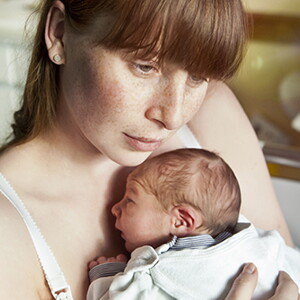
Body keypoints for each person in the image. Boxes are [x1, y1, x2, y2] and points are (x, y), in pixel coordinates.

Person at [0, 0, 298, 299]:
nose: (173, 115)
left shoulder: (211, 114)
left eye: (196, 76)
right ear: (60, 32)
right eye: (145, 66)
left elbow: (288, 269)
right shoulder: (8, 233)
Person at [87, 148, 300, 299]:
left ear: (181, 221)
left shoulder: (171, 272)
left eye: (130, 200)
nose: (115, 208)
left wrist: (107, 277)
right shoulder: (262, 242)